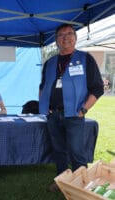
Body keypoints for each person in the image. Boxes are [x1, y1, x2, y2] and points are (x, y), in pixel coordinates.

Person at [39, 24, 104, 192]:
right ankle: (62, 181)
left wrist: (83, 110)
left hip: (75, 115)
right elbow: (43, 86)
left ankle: (82, 186)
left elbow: (97, 88)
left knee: (77, 153)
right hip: (53, 115)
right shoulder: (50, 62)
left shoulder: (85, 59)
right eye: (61, 35)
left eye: (69, 34)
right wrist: (45, 107)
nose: (65, 37)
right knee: (58, 151)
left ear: (75, 38)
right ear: (56, 40)